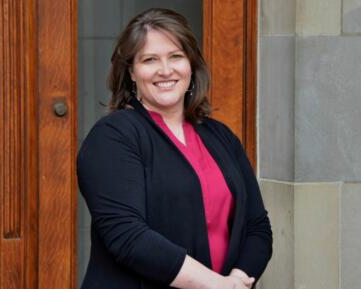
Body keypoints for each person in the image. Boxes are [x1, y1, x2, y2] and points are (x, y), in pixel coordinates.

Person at [77, 8, 272, 289]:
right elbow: (128, 237)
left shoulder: (221, 137)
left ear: (190, 65)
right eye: (150, 60)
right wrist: (215, 286)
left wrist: (237, 281)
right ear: (132, 71)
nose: (165, 70)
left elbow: (257, 226)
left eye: (176, 57)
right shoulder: (113, 137)